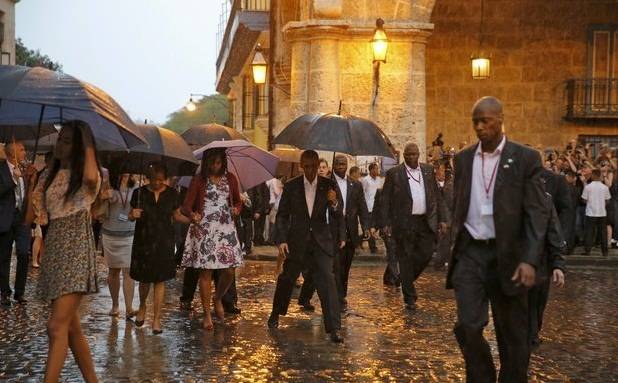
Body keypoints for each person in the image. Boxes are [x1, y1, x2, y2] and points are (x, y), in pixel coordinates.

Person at [447, 97, 547, 382]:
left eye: (485, 120)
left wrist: (529, 259)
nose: (479, 127)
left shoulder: (526, 159)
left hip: (510, 256)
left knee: (513, 337)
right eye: (475, 121)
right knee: (467, 326)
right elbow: (460, 203)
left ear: (501, 119)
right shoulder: (463, 159)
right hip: (471, 253)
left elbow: (537, 213)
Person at [30, 120, 100, 382]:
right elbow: (34, 216)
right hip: (55, 251)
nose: (61, 144)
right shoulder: (49, 175)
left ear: (80, 147)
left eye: (68, 141)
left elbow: (92, 178)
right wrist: (31, 181)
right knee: (71, 328)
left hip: (76, 250)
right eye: (61, 139)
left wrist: (89, 140)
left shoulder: (87, 175)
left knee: (55, 326)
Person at [267, 150, 346, 343]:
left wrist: (333, 202)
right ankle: (276, 313)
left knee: (328, 280)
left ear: (318, 164)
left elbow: (338, 213)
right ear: (302, 166)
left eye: (314, 166)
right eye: (307, 166)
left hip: (320, 241)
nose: (310, 170)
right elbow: (283, 215)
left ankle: (334, 328)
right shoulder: (292, 186)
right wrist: (282, 239)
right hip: (297, 240)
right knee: (287, 279)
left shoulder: (328, 185)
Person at [179, 148, 244, 330]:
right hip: (204, 229)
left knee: (230, 270)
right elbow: (185, 206)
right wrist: (193, 215)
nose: (216, 166)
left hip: (225, 228)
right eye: (212, 162)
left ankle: (218, 298)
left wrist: (237, 209)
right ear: (206, 162)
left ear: (223, 162)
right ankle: (207, 314)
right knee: (205, 272)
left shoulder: (230, 178)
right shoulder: (199, 180)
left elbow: (238, 201)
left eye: (219, 162)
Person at [381, 142, 447, 310]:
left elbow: (436, 196)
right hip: (403, 222)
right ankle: (410, 297)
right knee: (404, 257)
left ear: (419, 155)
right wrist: (386, 222)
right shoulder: (394, 174)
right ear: (404, 156)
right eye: (408, 155)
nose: (412, 158)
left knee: (425, 253)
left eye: (414, 154)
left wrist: (442, 219)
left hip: (425, 221)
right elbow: (385, 199)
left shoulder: (427, 170)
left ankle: (405, 278)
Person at [129, 163, 182, 334]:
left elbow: (177, 215)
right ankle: (143, 305)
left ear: (165, 179)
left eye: (160, 180)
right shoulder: (138, 193)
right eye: (153, 179)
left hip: (164, 241)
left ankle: (157, 318)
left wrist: (193, 219)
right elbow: (129, 216)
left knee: (160, 280)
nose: (157, 183)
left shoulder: (173, 194)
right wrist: (132, 215)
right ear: (148, 178)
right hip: (143, 240)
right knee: (144, 280)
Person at [0, 141, 37, 305]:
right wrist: (13, 179)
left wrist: (32, 179)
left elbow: (30, 193)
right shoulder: (1, 168)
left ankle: (19, 292)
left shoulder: (25, 169)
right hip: (6, 217)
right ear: (11, 152)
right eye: (22, 149)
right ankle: (5, 292)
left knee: (23, 254)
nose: (25, 152)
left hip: (22, 218)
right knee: (4, 256)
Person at [528, 193, 566, 351]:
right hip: (515, 263)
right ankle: (529, 338)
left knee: (537, 304)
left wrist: (558, 264)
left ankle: (532, 334)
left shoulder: (545, 198)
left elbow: (553, 231)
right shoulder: (508, 194)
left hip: (540, 264)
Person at [100, 172, 137, 319]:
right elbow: (96, 204)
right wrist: (103, 196)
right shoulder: (108, 186)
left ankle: (128, 308)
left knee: (128, 271)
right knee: (113, 271)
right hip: (110, 234)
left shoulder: (135, 188)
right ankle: (115, 305)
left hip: (129, 234)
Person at [582, 168, 611, 257]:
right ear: (600, 176)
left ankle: (587, 250)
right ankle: (604, 251)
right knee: (603, 232)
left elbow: (584, 199)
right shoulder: (605, 187)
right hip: (602, 212)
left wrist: (590, 202)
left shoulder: (588, 187)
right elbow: (608, 200)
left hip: (590, 212)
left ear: (593, 175)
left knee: (589, 232)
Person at [434, 163, 454, 270]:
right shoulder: (451, 185)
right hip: (448, 219)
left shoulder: (452, 183)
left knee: (448, 243)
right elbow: (451, 202)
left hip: (451, 219)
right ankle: (439, 263)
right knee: (444, 243)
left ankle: (443, 263)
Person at [361, 162, 384, 254]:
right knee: (370, 227)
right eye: (375, 169)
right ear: (370, 170)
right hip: (369, 207)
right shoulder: (365, 180)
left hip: (378, 207)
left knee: (378, 225)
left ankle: (360, 239)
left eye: (377, 168)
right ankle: (373, 248)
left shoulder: (379, 179)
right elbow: (362, 193)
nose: (377, 170)